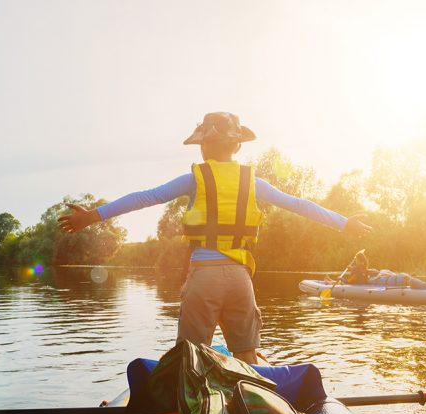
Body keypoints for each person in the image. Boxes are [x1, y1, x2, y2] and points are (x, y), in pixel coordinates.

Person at [58, 112, 371, 364]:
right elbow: (299, 205)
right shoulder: (254, 182)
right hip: (240, 279)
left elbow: (145, 198)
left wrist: (92, 216)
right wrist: (345, 223)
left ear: (203, 147)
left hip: (205, 277)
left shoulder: (194, 178)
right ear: (237, 146)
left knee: (189, 359)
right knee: (247, 356)